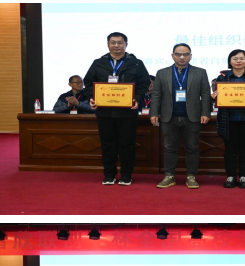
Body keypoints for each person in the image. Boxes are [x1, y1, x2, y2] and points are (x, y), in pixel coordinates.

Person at [83, 32, 150, 185]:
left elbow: (144, 84)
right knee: (108, 145)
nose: (116, 45)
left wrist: (137, 98)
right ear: (108, 44)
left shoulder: (136, 63)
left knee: (127, 145)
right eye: (113, 42)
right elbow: (88, 83)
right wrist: (91, 97)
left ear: (126, 44)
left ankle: (126, 176)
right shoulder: (98, 63)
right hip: (104, 112)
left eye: (120, 42)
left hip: (127, 112)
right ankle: (109, 175)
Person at [150, 43, 211, 189]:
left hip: (193, 116)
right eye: (178, 54)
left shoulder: (200, 72)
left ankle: (191, 176)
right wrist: (154, 113)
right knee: (169, 147)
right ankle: (169, 176)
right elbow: (156, 94)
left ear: (190, 56)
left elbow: (205, 94)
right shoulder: (162, 72)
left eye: (186, 54)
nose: (182, 57)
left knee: (192, 147)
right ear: (173, 56)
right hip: (168, 116)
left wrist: (205, 112)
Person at [211, 50, 245, 189]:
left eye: (242, 58)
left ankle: (243, 176)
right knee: (229, 149)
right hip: (228, 120)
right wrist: (214, 97)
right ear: (230, 61)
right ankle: (230, 176)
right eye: (235, 58)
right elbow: (217, 97)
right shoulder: (223, 77)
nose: (238, 61)